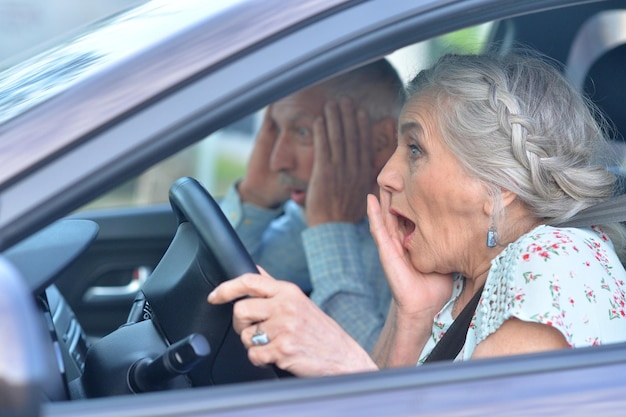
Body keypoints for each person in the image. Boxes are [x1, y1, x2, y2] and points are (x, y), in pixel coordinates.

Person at [209, 51, 626, 376]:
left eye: (414, 150)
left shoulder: (555, 260)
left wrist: (340, 361)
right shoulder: (457, 280)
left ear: (500, 185)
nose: (387, 175)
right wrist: (412, 314)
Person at [218, 59, 405, 351]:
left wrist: (331, 228)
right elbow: (223, 290)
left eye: (302, 132)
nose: (278, 160)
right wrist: (253, 197)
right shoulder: (306, 217)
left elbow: (371, 367)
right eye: (277, 131)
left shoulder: (412, 238)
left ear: (380, 141)